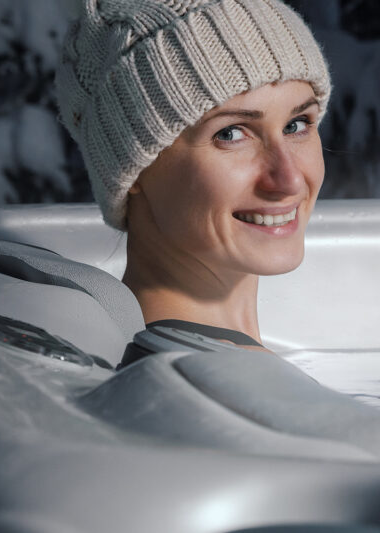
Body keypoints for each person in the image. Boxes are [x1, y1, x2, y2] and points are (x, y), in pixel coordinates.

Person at [54, 0, 331, 367]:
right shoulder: (212, 394)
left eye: (296, 125)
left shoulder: (190, 371)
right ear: (134, 162)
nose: (290, 179)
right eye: (231, 133)